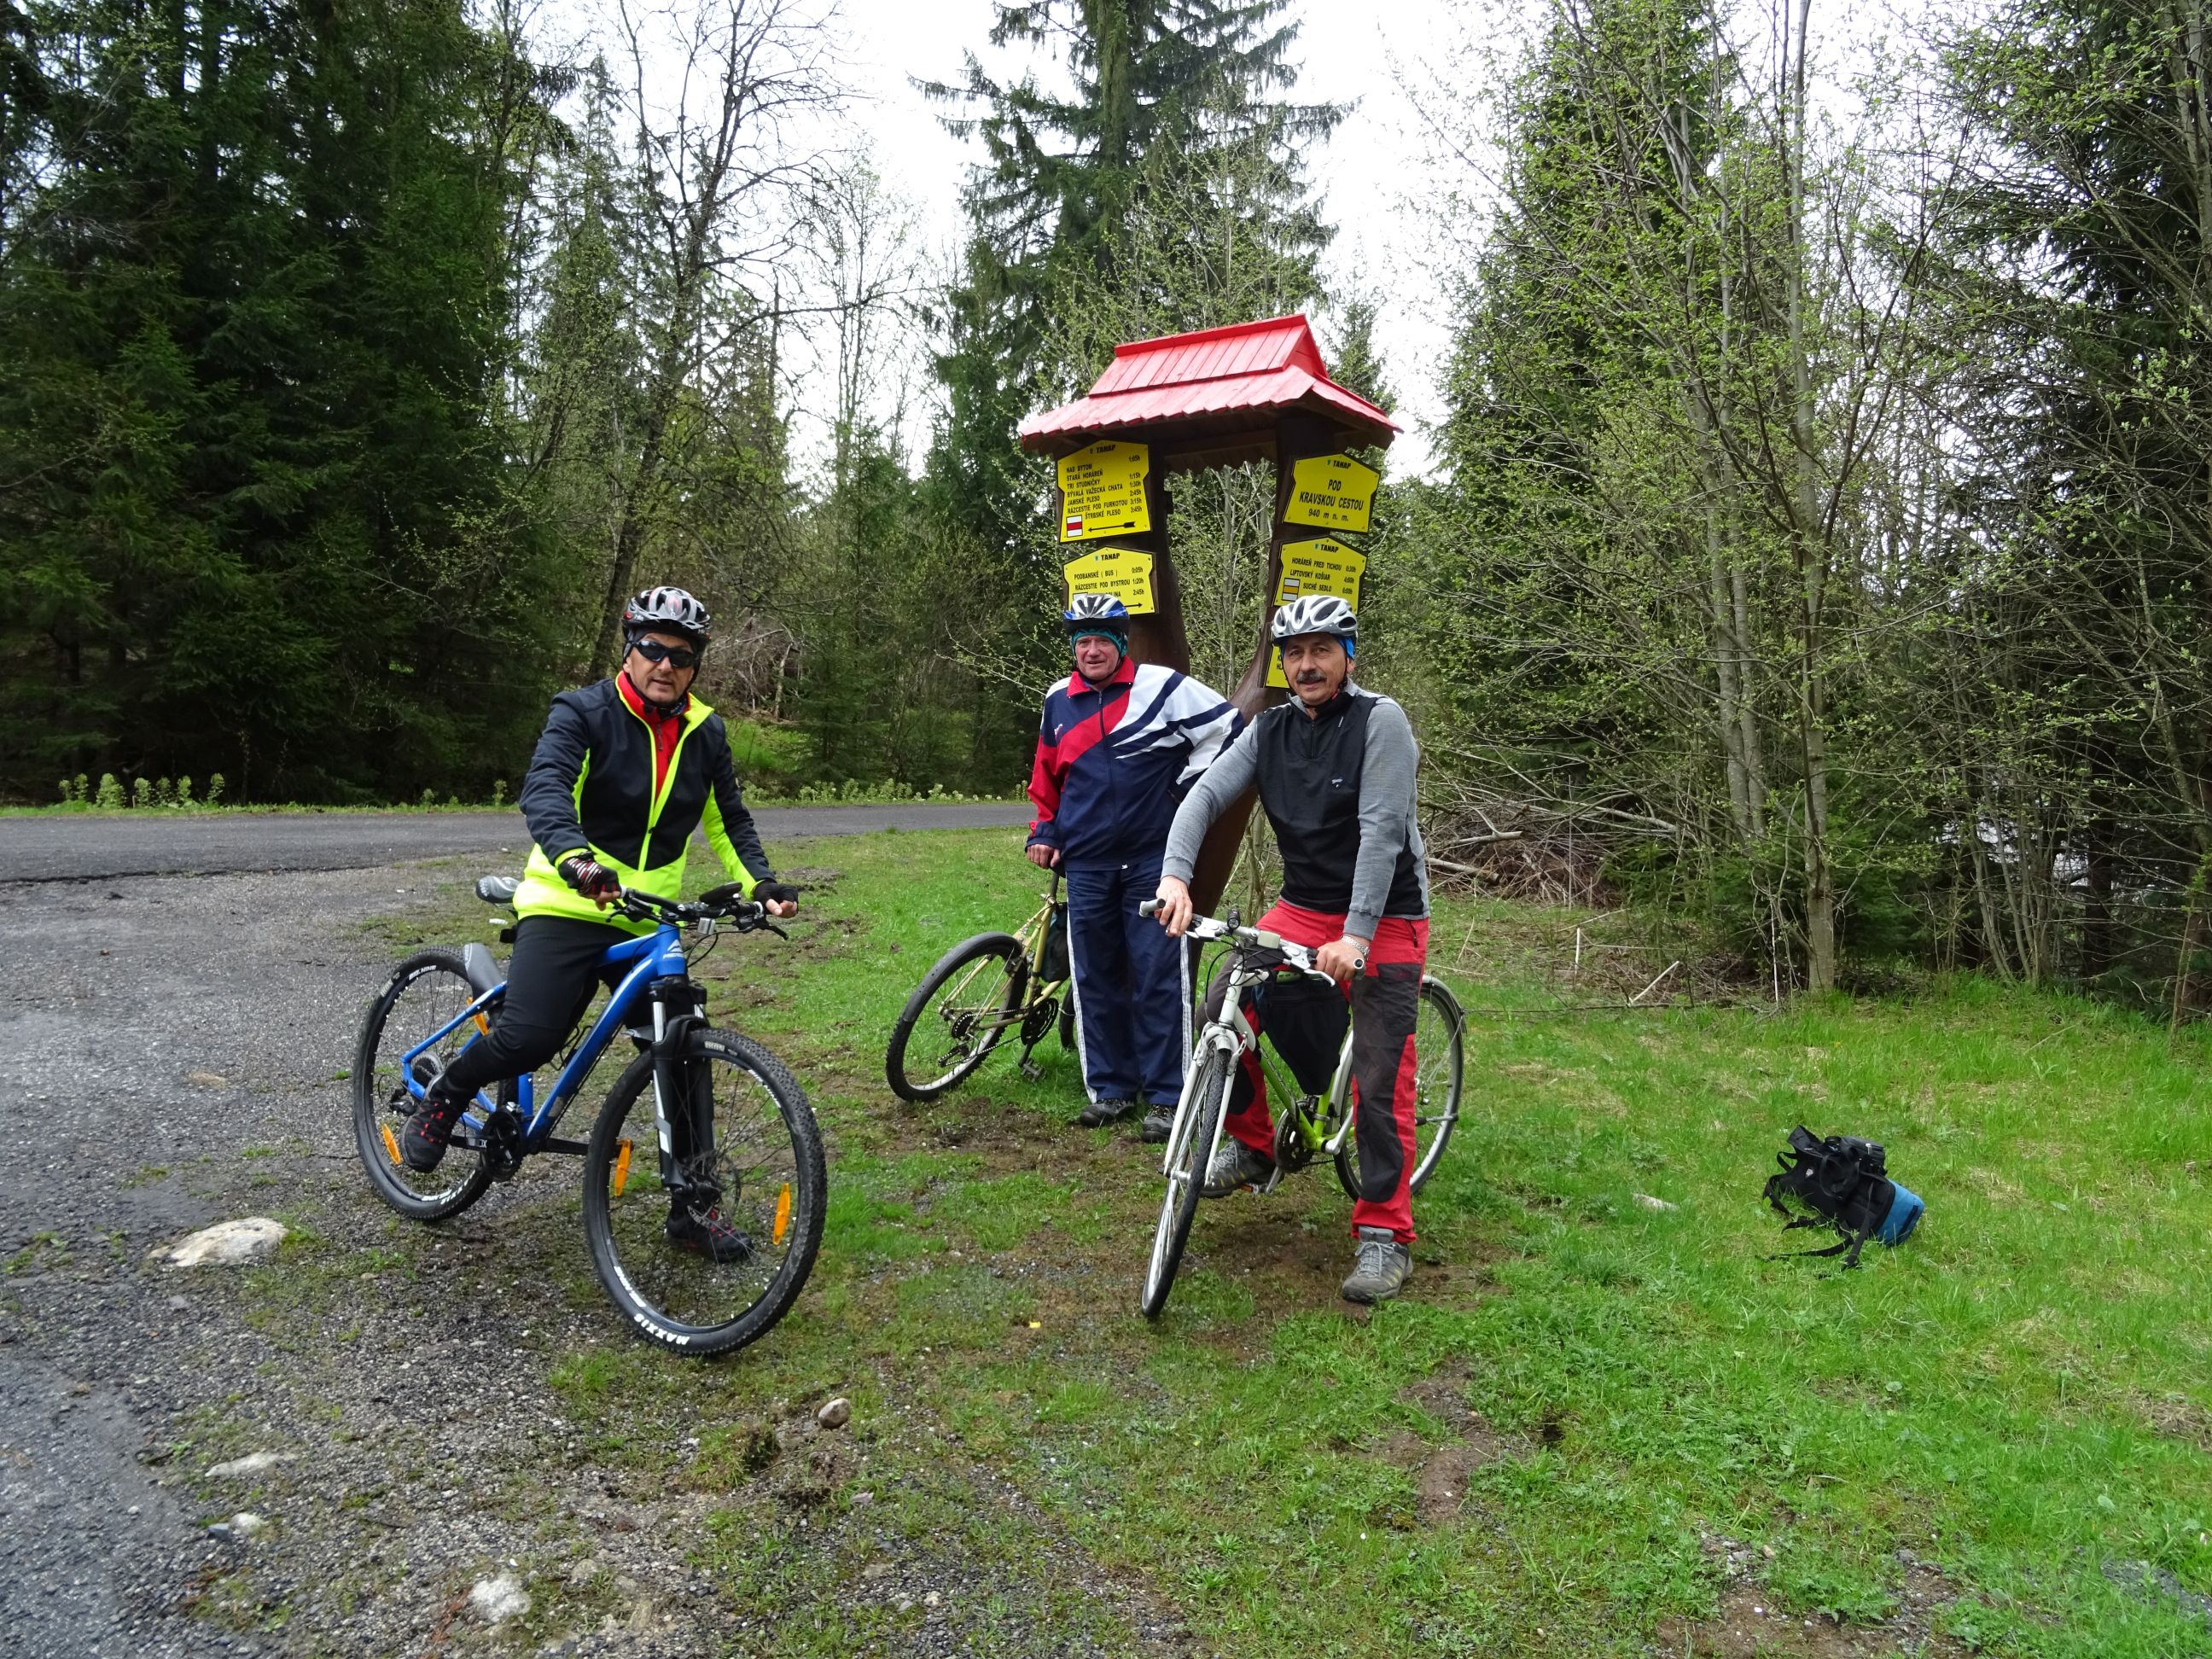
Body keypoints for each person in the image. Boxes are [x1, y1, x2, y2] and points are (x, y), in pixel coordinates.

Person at [399, 585, 800, 1259]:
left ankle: (693, 1209)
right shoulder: (584, 711)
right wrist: (577, 861)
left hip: (646, 916)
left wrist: (761, 883)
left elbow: (728, 817)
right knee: (530, 1035)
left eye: (681, 656)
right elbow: (546, 790)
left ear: (695, 665)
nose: (665, 665)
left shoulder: (706, 733)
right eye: (652, 649)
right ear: (629, 649)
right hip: (569, 901)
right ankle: (449, 1091)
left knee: (683, 1048)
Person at [1150, 595, 1430, 1304]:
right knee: (1224, 1006)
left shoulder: (1381, 722)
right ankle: (1254, 1145)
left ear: (1348, 657)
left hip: (1385, 915)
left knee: (1379, 1076)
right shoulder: (1269, 729)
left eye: (1322, 650)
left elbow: (1381, 835)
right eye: (1295, 653)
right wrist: (1176, 876)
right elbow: (1204, 797)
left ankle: (1384, 1232)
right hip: (1303, 907)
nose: (1307, 664)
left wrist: (1356, 936)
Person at [1027, 594, 1241, 1132]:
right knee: (1095, 977)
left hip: (1152, 860)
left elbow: (1229, 726)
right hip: (1087, 862)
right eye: (1083, 642)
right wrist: (1044, 830)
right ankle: (1112, 1089)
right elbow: (1046, 773)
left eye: (1102, 640)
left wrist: (1184, 791)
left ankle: (1168, 1096)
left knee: (1158, 975)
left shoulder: (1160, 687)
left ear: (1121, 643)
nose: (1092, 651)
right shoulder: (1058, 699)